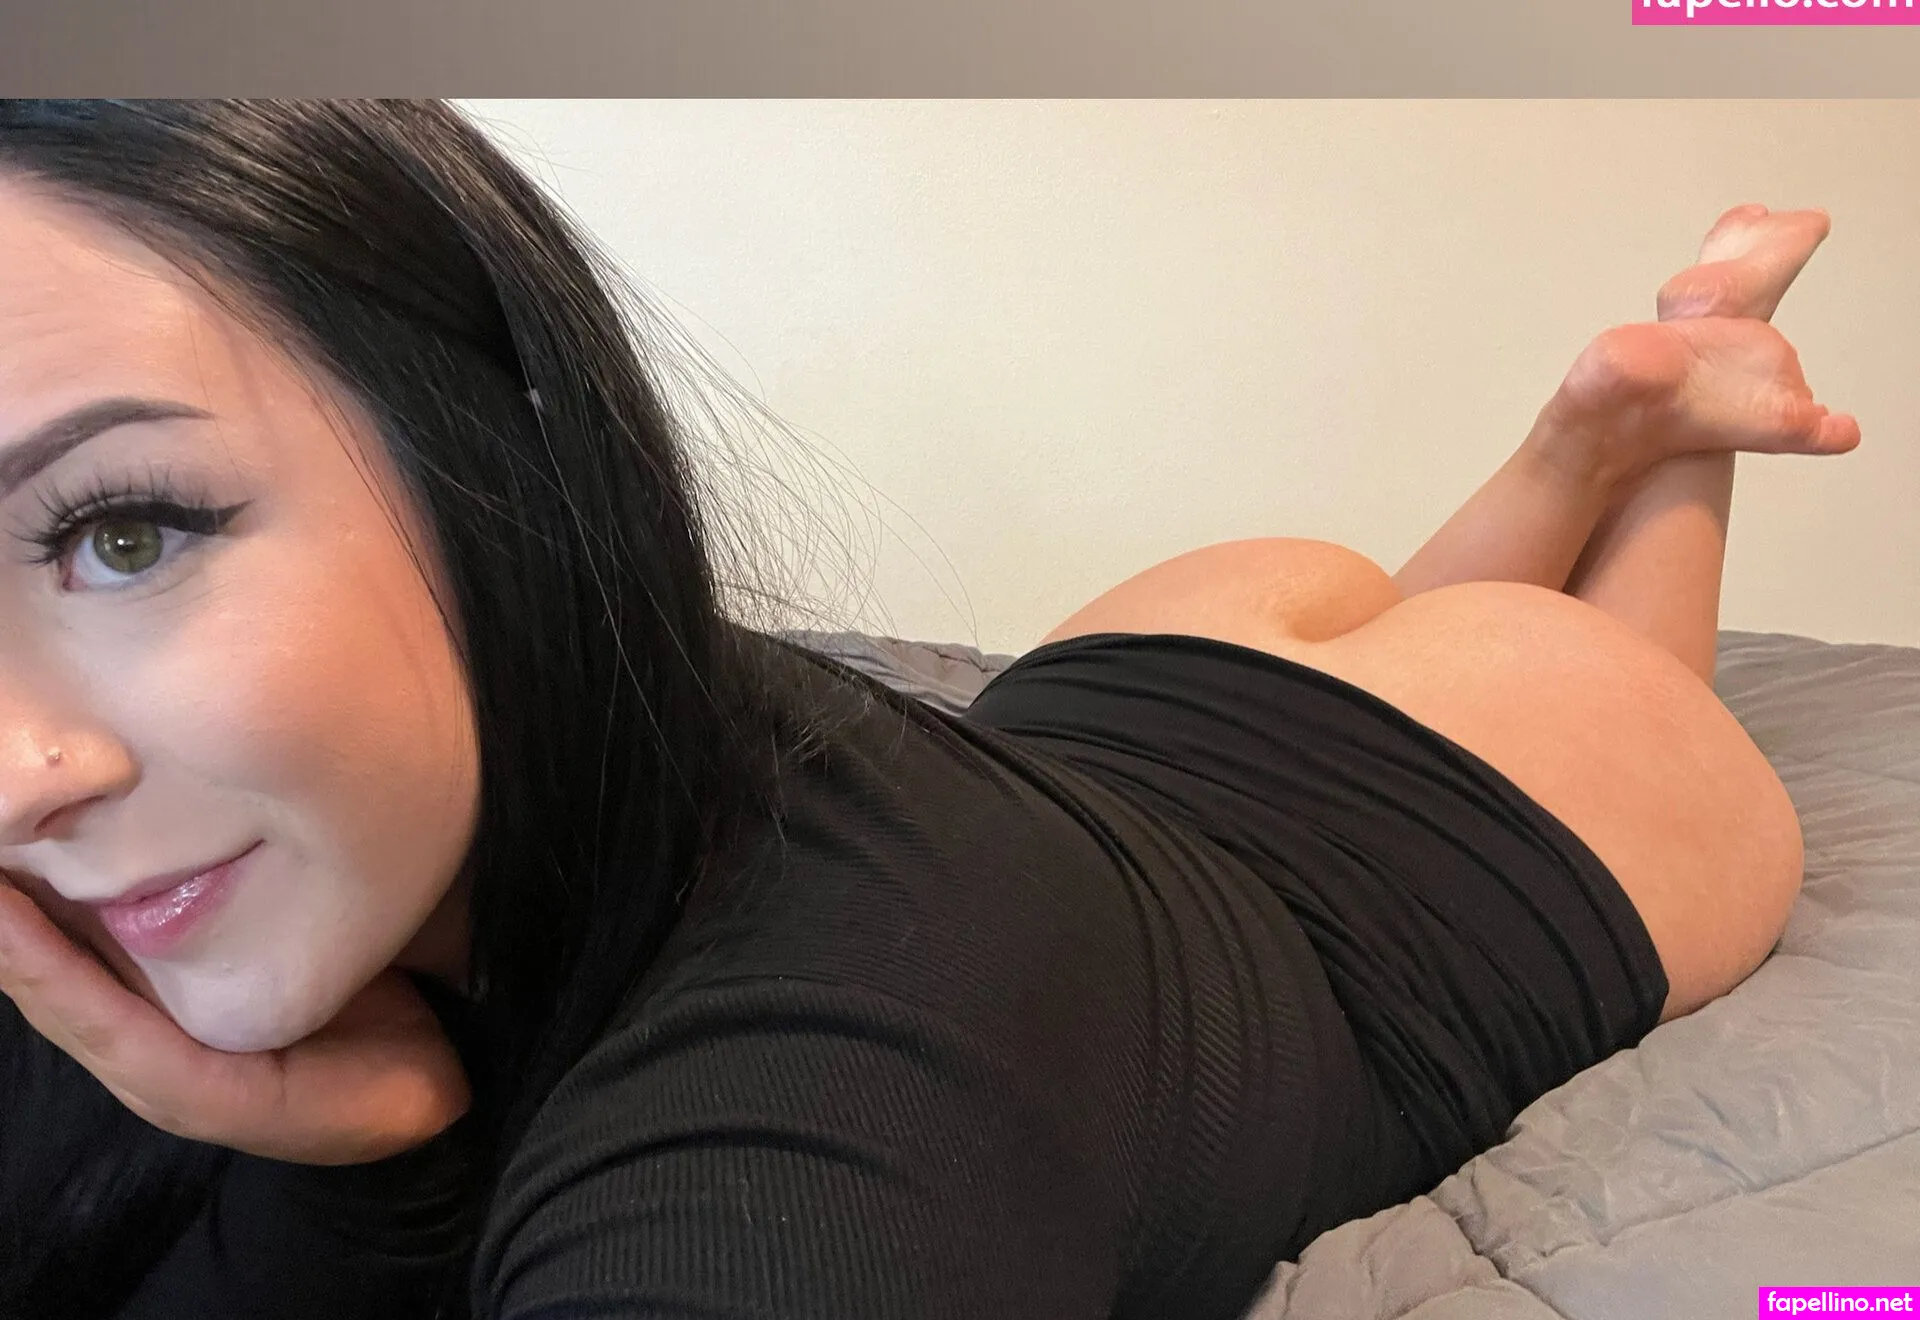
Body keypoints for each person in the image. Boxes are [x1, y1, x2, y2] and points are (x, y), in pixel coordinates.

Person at [0, 100, 1858, 1320]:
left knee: (1609, 656)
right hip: (1126, 710)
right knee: (1409, 629)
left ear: (496, 442)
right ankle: (1587, 429)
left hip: (1415, 848)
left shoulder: (811, 1104)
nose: (14, 776)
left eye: (119, 531)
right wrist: (368, 1167)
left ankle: (1669, 404)